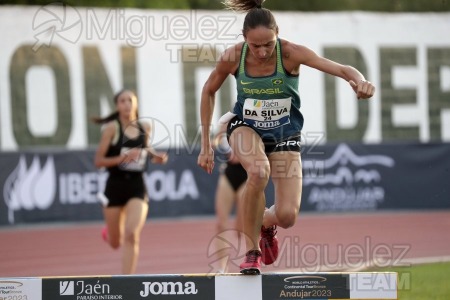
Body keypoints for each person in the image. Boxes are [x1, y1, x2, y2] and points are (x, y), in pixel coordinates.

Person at [198, 0, 375, 275]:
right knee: (258, 171)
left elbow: (342, 69)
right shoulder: (233, 57)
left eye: (268, 43)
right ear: (244, 40)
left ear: (277, 34)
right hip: (246, 127)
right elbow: (208, 91)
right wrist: (206, 144)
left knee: (288, 216)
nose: (262, 51)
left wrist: (360, 81)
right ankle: (251, 251)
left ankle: (265, 224)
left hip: (285, 133)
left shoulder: (291, 53)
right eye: (255, 46)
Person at [93, 89, 168, 274]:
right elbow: (98, 161)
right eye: (122, 101)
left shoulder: (145, 127)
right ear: (117, 106)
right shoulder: (112, 128)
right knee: (115, 243)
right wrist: (121, 159)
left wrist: (155, 157)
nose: (127, 104)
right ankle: (109, 233)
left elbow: (146, 149)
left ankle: (127, 283)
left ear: (135, 103)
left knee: (132, 235)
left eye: (130, 100)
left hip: (137, 186)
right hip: (115, 186)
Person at [212, 124, 247, 273]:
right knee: (221, 223)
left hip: (247, 175)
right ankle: (222, 267)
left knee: (242, 227)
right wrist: (219, 143)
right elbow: (215, 141)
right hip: (228, 174)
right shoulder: (228, 125)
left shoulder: (253, 126)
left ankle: (248, 261)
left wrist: (242, 154)